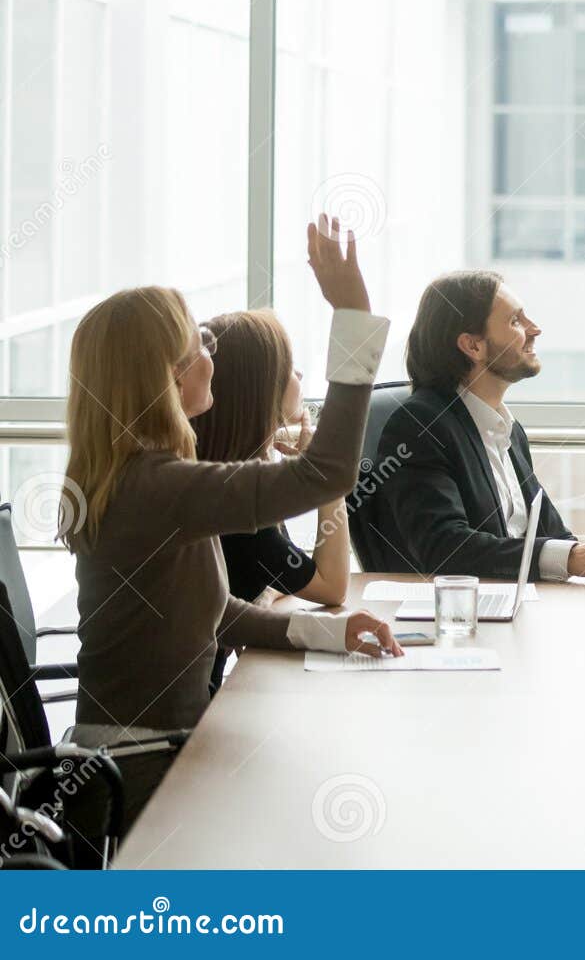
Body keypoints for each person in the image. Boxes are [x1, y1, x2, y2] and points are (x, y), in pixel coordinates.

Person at [62, 217, 403, 824]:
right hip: (139, 769)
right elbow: (325, 475)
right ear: (170, 375)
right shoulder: (158, 487)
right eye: (201, 346)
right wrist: (353, 314)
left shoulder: (140, 476)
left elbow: (208, 610)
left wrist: (332, 630)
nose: (209, 358)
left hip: (151, 749)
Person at [368, 270, 585, 581]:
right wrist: (572, 558)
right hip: (459, 615)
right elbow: (444, 547)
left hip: (515, 604)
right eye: (515, 321)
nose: (534, 329)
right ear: (473, 346)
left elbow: (550, 532)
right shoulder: (421, 425)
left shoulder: (507, 430)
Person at [192, 309, 353, 691]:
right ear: (260, 390)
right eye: (290, 367)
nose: (299, 376)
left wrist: (264, 593)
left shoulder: (215, 473)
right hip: (196, 721)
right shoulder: (237, 500)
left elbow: (274, 578)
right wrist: (323, 480)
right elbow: (332, 587)